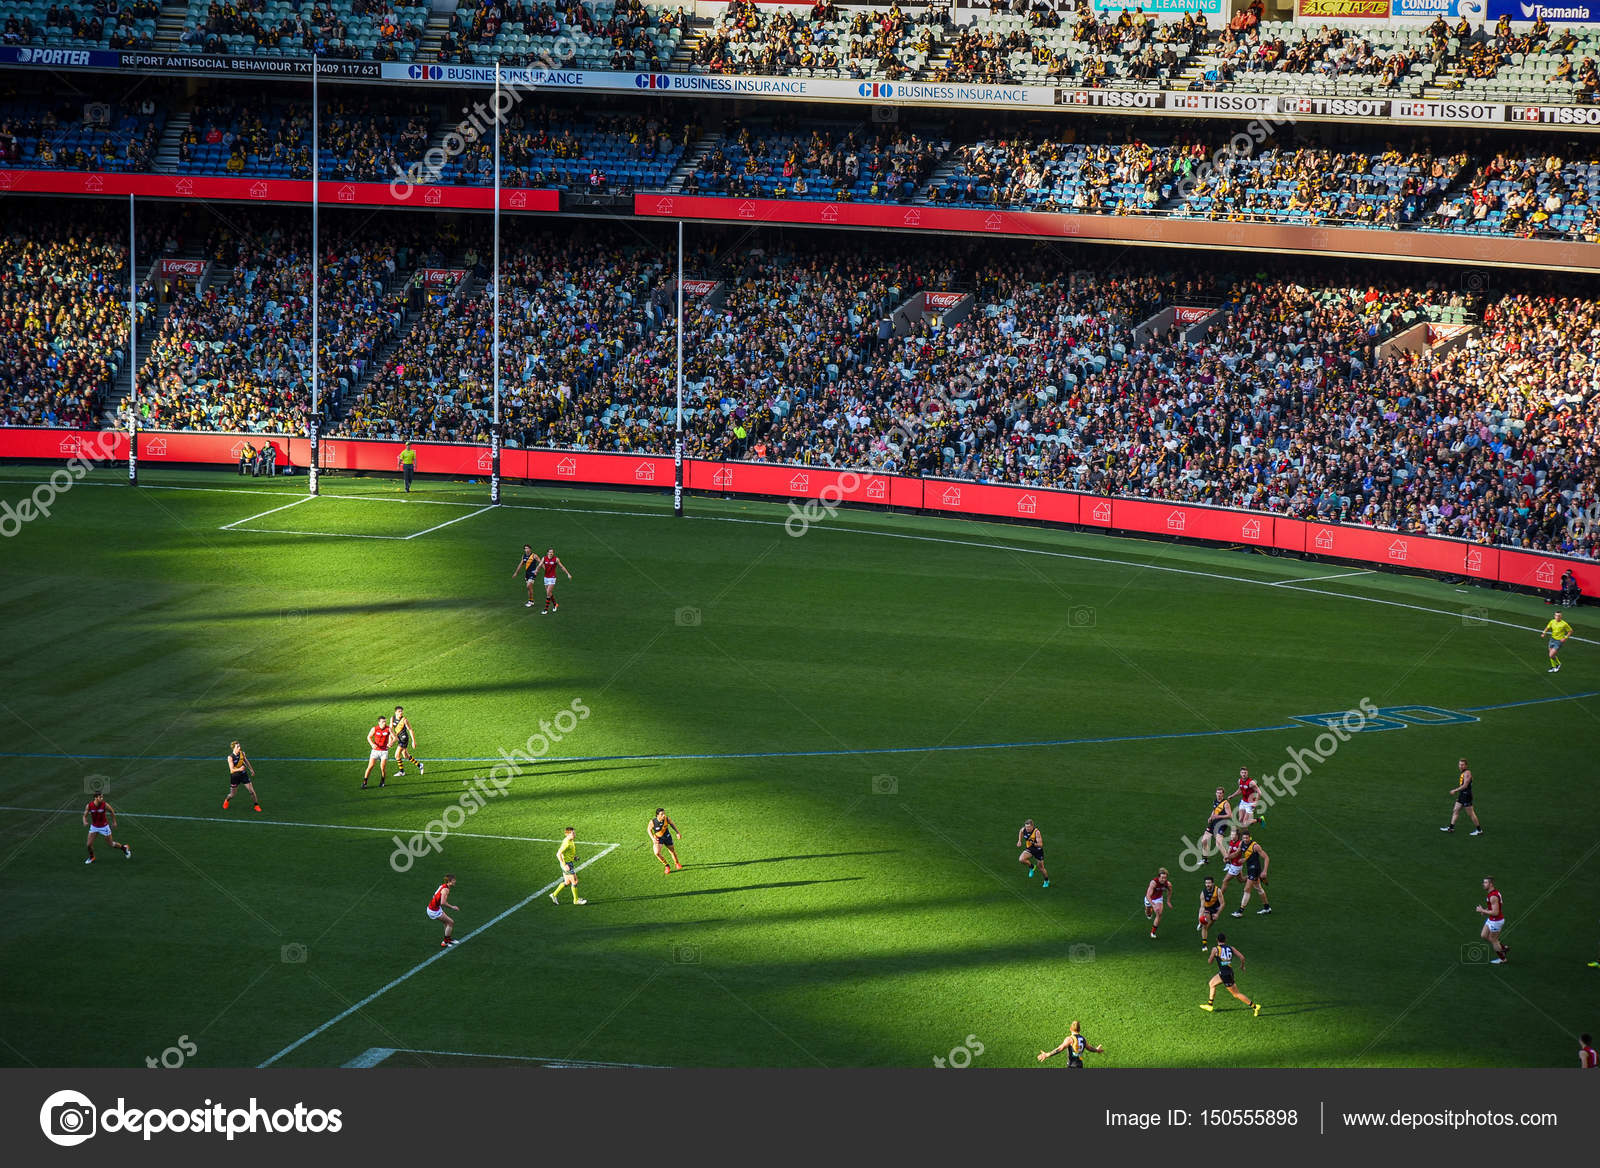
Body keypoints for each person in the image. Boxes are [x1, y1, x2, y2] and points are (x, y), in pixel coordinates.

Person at [1201, 933, 1260, 1015]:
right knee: (1212, 983)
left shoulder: (1215, 949)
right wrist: (1242, 966)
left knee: (1236, 994)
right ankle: (1210, 1005)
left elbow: (1209, 962)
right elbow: (1242, 957)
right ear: (1225, 940)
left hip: (1225, 975)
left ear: (1217, 940)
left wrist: (1213, 956)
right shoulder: (1231, 948)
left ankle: (1255, 1007)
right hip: (1228, 972)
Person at [82, 792, 131, 864]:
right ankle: (92, 857)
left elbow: (112, 811)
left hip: (104, 826)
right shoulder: (89, 805)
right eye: (100, 797)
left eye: (102, 797)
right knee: (89, 844)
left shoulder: (105, 805)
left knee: (111, 844)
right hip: (94, 827)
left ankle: (124, 848)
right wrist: (84, 821)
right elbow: (84, 815)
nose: (102, 798)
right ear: (95, 798)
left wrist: (114, 822)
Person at [1233, 833, 1271, 916]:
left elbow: (1266, 858)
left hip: (1255, 869)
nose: (1245, 839)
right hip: (1250, 868)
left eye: (1247, 838)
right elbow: (1237, 853)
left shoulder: (1255, 846)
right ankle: (1267, 907)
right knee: (1258, 888)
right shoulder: (1242, 843)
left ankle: (1240, 911)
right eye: (1244, 838)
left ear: (1250, 838)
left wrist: (1264, 871)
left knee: (1247, 889)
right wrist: (1228, 857)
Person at [1441, 757, 1481, 835]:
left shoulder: (1467, 773)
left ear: (1466, 765)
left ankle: (1479, 830)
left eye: (1462, 765)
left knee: (1471, 814)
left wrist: (1455, 790)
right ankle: (1451, 828)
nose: (1460, 766)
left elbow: (1465, 785)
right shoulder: (1463, 773)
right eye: (1459, 764)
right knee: (1455, 810)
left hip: (1466, 795)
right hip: (1462, 795)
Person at [1037, 1020, 1102, 1067]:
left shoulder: (1070, 1039)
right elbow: (1089, 1048)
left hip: (1072, 1065)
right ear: (1079, 1030)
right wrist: (1097, 1050)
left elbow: (1060, 1048)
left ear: (1070, 1029)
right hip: (1080, 1065)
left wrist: (1048, 1054)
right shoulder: (1083, 1039)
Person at [1476, 876, 1509, 964]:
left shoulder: (1493, 896)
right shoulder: (1493, 893)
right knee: (1483, 935)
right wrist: (1486, 910)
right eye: (1483, 882)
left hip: (1496, 921)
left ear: (1491, 884)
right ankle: (1503, 948)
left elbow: (1496, 912)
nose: (1483, 884)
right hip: (1491, 919)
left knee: (1493, 940)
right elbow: (1493, 906)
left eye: (1485, 882)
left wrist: (1483, 910)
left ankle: (1502, 959)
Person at [551, 827, 587, 905]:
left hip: (569, 862)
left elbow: (567, 853)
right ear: (567, 834)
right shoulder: (566, 843)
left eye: (574, 833)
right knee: (575, 881)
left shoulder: (571, 841)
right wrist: (564, 865)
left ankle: (554, 895)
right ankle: (576, 900)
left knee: (567, 882)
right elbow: (558, 854)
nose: (574, 834)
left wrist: (574, 858)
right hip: (567, 865)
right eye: (572, 833)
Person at [222, 740, 261, 812]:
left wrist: (251, 769)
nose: (239, 747)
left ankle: (256, 805)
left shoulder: (242, 753)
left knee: (251, 791)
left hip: (243, 774)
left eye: (239, 746)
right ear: (233, 748)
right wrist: (240, 769)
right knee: (232, 794)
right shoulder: (230, 757)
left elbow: (245, 761)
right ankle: (226, 800)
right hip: (235, 776)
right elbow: (232, 770)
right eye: (238, 746)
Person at [1201, 786, 1233, 862]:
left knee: (1218, 843)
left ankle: (1227, 862)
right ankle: (1205, 859)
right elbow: (1214, 810)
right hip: (1214, 822)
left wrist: (1218, 816)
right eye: (1218, 793)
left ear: (1223, 794)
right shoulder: (1215, 801)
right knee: (1204, 840)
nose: (1219, 794)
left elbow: (1230, 815)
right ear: (1215, 793)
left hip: (1222, 824)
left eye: (1220, 793)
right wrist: (1210, 817)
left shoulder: (1226, 803)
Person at [538, 547, 572, 615]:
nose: (551, 553)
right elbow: (540, 564)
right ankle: (555, 604)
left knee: (548, 593)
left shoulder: (556, 559)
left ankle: (546, 610)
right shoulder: (544, 558)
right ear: (547, 553)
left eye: (552, 552)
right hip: (546, 578)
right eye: (550, 552)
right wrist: (536, 570)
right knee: (549, 593)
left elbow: (562, 567)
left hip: (552, 578)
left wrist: (568, 574)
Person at [392, 705, 425, 777]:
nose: (401, 713)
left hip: (404, 738)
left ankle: (402, 772)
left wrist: (414, 741)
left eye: (401, 711)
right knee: (405, 755)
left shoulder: (404, 720)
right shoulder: (392, 718)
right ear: (395, 712)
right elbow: (390, 729)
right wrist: (391, 739)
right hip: (399, 738)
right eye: (399, 711)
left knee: (397, 755)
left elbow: (410, 730)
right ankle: (420, 765)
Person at [427, 874, 459, 947]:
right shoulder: (446, 890)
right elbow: (443, 902)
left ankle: (448, 939)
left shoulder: (443, 886)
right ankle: (445, 942)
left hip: (434, 907)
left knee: (446, 923)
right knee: (451, 922)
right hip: (434, 910)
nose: (455, 881)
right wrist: (452, 907)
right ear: (449, 881)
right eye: (454, 880)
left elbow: (435, 895)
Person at [649, 807, 683, 874]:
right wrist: (653, 838)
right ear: (657, 815)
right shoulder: (653, 822)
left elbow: (672, 824)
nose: (663, 815)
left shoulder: (666, 819)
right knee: (657, 853)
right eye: (661, 814)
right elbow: (648, 829)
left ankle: (677, 863)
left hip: (667, 837)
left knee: (672, 851)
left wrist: (677, 833)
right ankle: (667, 866)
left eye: (664, 813)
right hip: (658, 838)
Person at [363, 715, 392, 789]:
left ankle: (382, 781)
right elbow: (368, 737)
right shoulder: (374, 729)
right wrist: (372, 744)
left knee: (382, 767)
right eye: (383, 722)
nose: (384, 723)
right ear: (379, 722)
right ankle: (365, 782)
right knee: (370, 766)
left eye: (385, 721)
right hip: (375, 751)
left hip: (384, 751)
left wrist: (391, 743)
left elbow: (395, 737)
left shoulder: (388, 729)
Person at [1018, 819, 1049, 888]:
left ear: (1032, 826)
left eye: (1029, 827)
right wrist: (1019, 841)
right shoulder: (1024, 830)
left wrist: (1034, 843)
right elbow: (1020, 831)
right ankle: (1032, 867)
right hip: (1030, 849)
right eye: (1026, 827)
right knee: (1021, 859)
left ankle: (1046, 880)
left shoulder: (1036, 832)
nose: (1027, 829)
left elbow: (1040, 845)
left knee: (1041, 868)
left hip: (1038, 850)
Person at [1144, 867, 1172, 939]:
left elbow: (1170, 891)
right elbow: (1148, 895)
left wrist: (1168, 901)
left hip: (1158, 899)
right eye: (1162, 878)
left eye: (1165, 878)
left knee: (1159, 913)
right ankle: (1148, 912)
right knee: (1148, 914)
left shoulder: (1168, 884)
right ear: (1159, 877)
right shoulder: (1153, 883)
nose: (1164, 879)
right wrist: (1153, 905)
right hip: (1149, 899)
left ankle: (1153, 932)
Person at [1198, 875, 1225, 948]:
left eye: (1209, 883)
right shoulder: (1203, 893)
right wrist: (1199, 917)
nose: (1207, 885)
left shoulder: (1218, 891)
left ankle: (1203, 927)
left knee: (1210, 924)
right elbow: (1202, 907)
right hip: (1207, 909)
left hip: (1215, 909)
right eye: (1206, 883)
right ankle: (1204, 944)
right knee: (1205, 926)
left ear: (1213, 883)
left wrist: (1217, 914)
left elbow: (1222, 904)